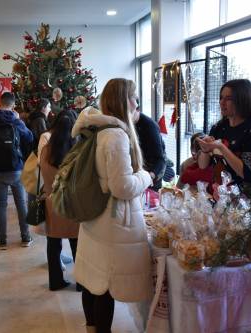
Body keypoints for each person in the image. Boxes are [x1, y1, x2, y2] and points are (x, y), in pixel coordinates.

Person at [73, 79, 153, 333]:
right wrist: (147, 177)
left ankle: (91, 328)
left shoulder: (95, 130)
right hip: (113, 222)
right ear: (123, 100)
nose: (136, 102)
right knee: (106, 287)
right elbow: (122, 187)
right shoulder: (116, 136)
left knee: (91, 280)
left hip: (94, 217)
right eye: (133, 97)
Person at [0, 92, 34, 250]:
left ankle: (2, 241)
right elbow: (30, 138)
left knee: (1, 205)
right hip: (16, 168)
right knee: (21, 204)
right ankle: (25, 237)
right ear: (13, 105)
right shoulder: (16, 121)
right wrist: (18, 121)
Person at [197, 79, 251, 194]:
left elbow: (247, 174)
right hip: (220, 196)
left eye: (228, 99)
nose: (222, 102)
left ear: (242, 101)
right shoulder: (218, 127)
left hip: (247, 201)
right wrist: (205, 149)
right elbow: (202, 166)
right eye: (221, 97)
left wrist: (222, 147)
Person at [39, 111, 80, 291]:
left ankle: (55, 281)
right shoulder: (77, 151)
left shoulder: (46, 150)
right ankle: (82, 282)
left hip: (51, 201)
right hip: (72, 203)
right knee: (77, 244)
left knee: (53, 245)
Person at [132, 102, 167, 190]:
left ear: (138, 110)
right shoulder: (131, 123)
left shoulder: (150, 127)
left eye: (130, 112)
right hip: (141, 164)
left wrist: (150, 176)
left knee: (151, 198)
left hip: (155, 166)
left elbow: (160, 159)